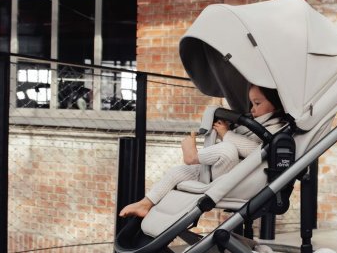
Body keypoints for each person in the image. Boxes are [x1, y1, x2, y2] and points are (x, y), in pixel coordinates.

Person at [119, 84, 285, 219]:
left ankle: (193, 157)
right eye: (251, 104)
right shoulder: (255, 123)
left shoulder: (276, 129)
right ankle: (145, 204)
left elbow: (256, 151)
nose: (253, 109)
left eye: (257, 103)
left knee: (227, 149)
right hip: (225, 173)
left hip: (240, 181)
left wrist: (226, 134)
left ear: (275, 104)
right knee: (178, 172)